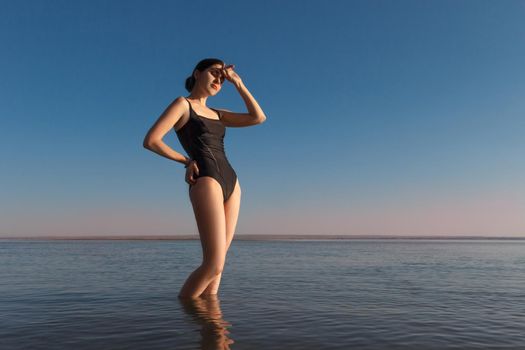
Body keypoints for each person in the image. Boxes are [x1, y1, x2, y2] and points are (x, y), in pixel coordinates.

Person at [143, 58, 266, 298]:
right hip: (207, 180)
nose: (219, 79)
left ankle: (213, 331)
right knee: (213, 265)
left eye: (223, 76)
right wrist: (186, 161)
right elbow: (151, 141)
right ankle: (185, 314)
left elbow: (258, 117)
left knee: (218, 271)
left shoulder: (219, 114)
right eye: (214, 73)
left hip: (233, 183)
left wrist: (238, 84)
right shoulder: (183, 104)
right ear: (197, 74)